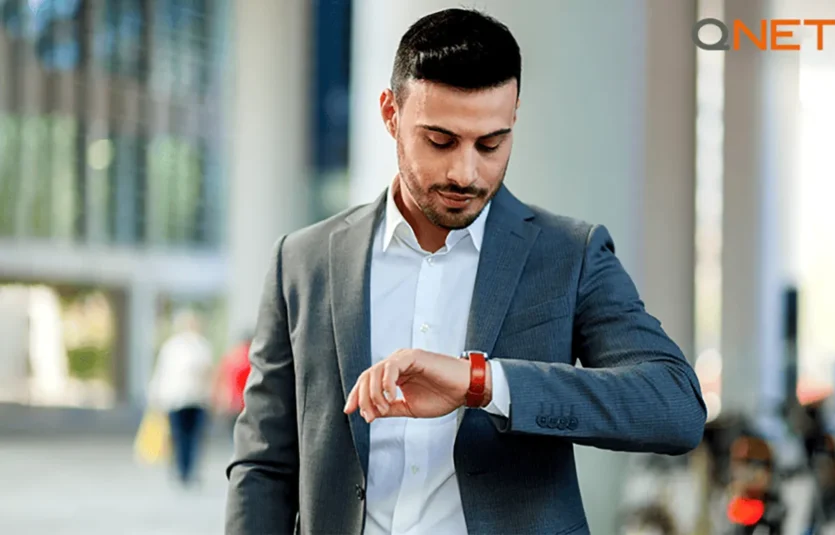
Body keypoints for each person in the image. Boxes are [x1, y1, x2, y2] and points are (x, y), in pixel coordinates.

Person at [226, 8, 706, 535]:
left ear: (514, 117)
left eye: (491, 144)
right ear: (390, 114)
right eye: (440, 141)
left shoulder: (570, 254)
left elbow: (675, 406)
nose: (466, 172)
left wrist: (483, 382)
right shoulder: (303, 260)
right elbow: (264, 465)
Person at [148, 309, 213, 486]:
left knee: (194, 437)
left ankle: (190, 469)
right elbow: (162, 373)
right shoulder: (172, 347)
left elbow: (209, 373)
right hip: (176, 399)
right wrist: (156, 396)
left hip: (198, 399)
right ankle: (180, 469)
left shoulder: (202, 346)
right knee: (177, 436)